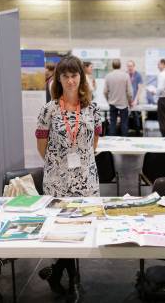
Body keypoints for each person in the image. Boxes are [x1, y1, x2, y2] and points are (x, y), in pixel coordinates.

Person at [35, 55, 101, 303]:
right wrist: (60, 164)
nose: (71, 80)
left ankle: (58, 272)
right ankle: (72, 280)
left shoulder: (92, 109)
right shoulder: (49, 109)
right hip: (57, 181)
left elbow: (94, 144)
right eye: (66, 76)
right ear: (58, 79)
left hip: (86, 180)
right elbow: (42, 146)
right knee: (61, 231)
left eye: (75, 76)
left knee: (82, 229)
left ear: (81, 78)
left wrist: (79, 161)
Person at [103, 59, 132, 136]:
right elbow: (129, 92)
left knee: (112, 123)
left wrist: (108, 100)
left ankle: (112, 143)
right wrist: (130, 102)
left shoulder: (108, 76)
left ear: (112, 66)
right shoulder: (126, 76)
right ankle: (125, 142)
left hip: (112, 103)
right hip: (123, 103)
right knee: (124, 123)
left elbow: (105, 91)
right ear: (120, 65)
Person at [126, 60, 143, 136]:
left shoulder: (138, 75)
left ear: (134, 66)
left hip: (135, 100)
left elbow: (139, 88)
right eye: (128, 66)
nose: (130, 68)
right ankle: (126, 132)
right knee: (125, 116)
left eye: (131, 66)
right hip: (126, 100)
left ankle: (138, 133)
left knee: (136, 116)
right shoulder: (125, 75)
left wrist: (136, 100)